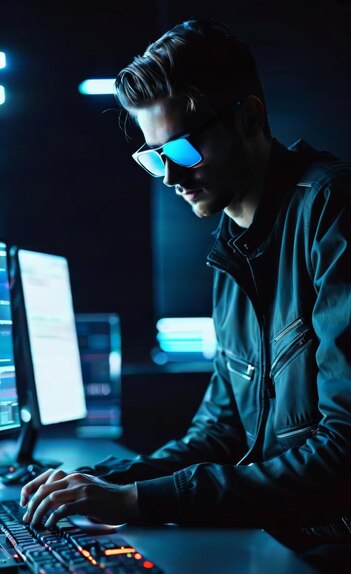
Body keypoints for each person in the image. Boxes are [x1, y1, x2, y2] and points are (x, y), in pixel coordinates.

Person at [20, 19, 351, 547]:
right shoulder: (231, 244)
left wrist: (136, 502)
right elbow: (218, 433)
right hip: (282, 542)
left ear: (249, 117)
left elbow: (343, 453)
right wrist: (108, 481)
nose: (171, 177)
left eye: (183, 150)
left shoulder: (333, 210)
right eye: (155, 158)